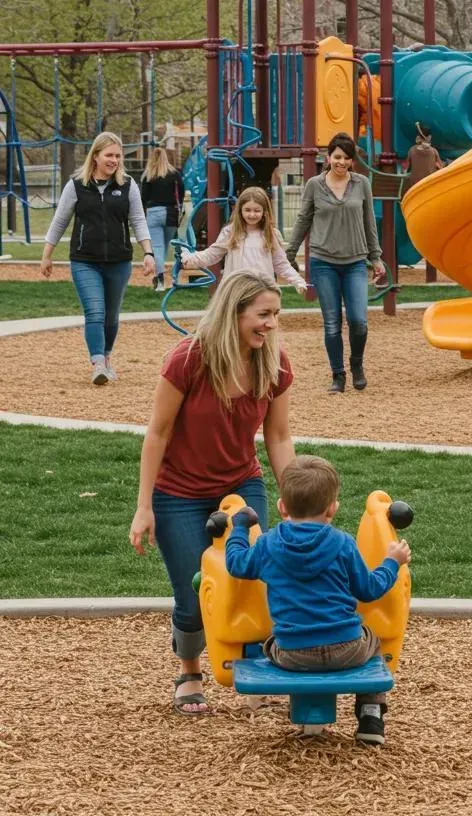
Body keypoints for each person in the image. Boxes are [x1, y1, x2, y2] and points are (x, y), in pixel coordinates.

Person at [129, 269, 296, 717]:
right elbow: (157, 434)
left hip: (239, 484)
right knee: (194, 589)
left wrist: (294, 496)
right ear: (234, 312)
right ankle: (190, 671)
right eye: (263, 315)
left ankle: (255, 668)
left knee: (252, 580)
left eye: (276, 314)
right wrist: (144, 506)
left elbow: (277, 437)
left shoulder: (274, 364)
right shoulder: (188, 359)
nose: (271, 324)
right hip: (178, 491)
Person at [225, 454, 412, 747]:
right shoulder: (343, 544)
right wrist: (392, 562)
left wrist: (239, 527)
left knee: (267, 640)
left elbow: (236, 564)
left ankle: (271, 700)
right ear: (332, 509)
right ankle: (371, 715)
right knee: (373, 641)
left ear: (282, 507)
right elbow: (370, 589)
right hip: (347, 648)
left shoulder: (268, 544)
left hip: (292, 654)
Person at [40, 131, 156, 385]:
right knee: (95, 312)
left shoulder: (127, 185)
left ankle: (106, 357)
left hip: (119, 261)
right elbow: (59, 222)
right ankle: (98, 364)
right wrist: (46, 255)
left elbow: (138, 221)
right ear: (95, 156)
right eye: (109, 155)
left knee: (111, 316)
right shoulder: (77, 185)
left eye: (117, 155)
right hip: (85, 261)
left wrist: (148, 252)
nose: (114, 160)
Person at [286, 133, 386, 394]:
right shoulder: (314, 185)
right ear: (328, 158)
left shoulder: (362, 184)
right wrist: (291, 252)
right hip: (323, 262)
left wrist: (375, 257)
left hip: (354, 261)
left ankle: (357, 365)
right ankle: (338, 375)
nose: (341, 162)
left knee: (358, 321)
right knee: (332, 323)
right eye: (337, 157)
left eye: (346, 158)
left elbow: (369, 221)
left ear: (352, 161)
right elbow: (303, 219)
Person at [182, 185, 305, 293]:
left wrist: (297, 281)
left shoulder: (270, 234)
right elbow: (213, 254)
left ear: (265, 212)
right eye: (247, 210)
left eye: (257, 210)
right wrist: (190, 259)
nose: (252, 214)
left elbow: (281, 264)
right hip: (236, 290)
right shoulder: (231, 232)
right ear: (240, 210)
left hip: (262, 290)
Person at [139, 145, 185, 291]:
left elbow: (143, 198)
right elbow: (182, 193)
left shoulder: (148, 175)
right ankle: (165, 277)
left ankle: (159, 281)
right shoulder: (174, 173)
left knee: (157, 248)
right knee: (164, 247)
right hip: (171, 213)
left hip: (153, 213)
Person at [401, 123, 443, 195]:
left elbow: (404, 170)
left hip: (414, 189)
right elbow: (441, 169)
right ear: (429, 137)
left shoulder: (411, 150)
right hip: (428, 188)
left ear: (419, 137)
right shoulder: (434, 152)